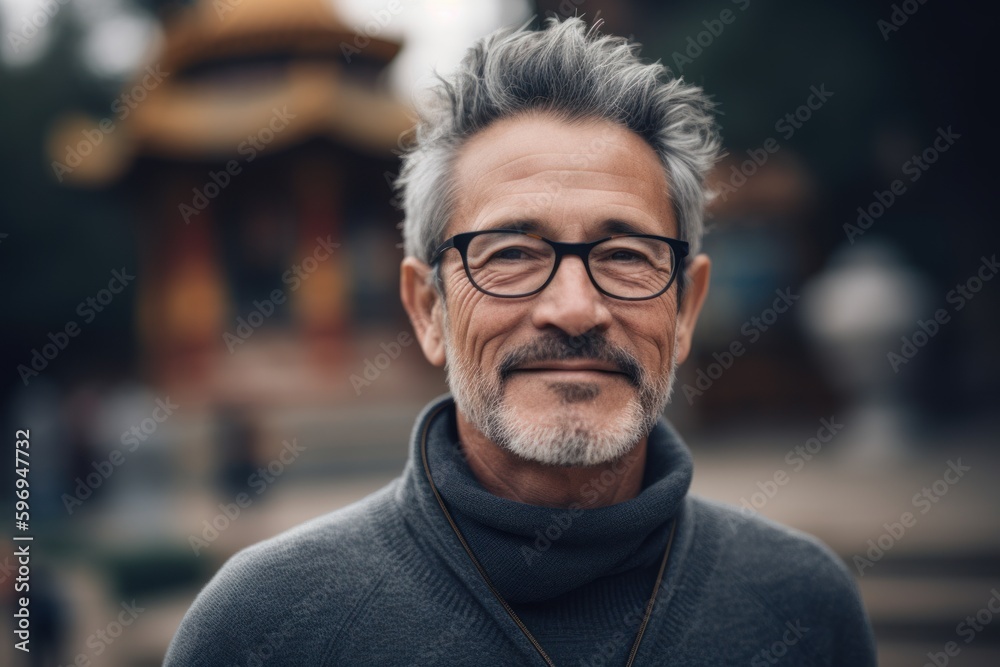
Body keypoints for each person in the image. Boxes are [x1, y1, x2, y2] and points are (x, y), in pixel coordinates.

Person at [166, 17, 876, 666]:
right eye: (510, 254)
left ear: (686, 307)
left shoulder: (802, 607)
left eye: (626, 254)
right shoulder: (263, 627)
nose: (575, 309)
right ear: (427, 310)